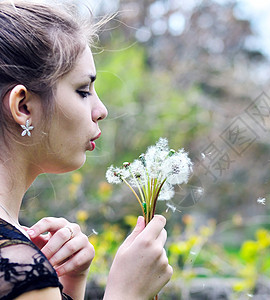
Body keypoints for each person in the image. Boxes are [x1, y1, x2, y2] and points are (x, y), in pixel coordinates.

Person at [0, 1, 173, 299]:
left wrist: (68, 285)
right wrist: (127, 292)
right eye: (83, 90)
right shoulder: (17, 265)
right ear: (23, 106)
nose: (101, 109)